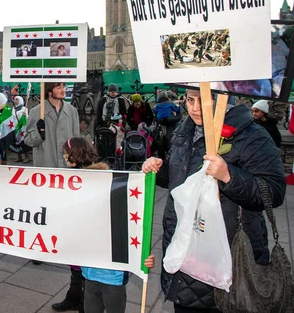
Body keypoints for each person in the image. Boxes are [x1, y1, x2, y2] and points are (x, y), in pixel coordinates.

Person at [142, 88, 286, 312]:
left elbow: (274, 192)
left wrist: (229, 176)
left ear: (223, 100)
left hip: (229, 262)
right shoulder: (184, 130)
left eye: (203, 101)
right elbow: (176, 178)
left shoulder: (251, 136)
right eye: (190, 100)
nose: (195, 108)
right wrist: (157, 168)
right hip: (184, 256)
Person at [61, 137, 155, 313]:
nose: (64, 157)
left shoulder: (106, 185)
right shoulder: (79, 181)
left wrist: (142, 254)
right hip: (89, 271)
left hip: (112, 275)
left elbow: (130, 223)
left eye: (66, 154)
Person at [25, 82, 79, 293]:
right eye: (59, 86)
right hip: (45, 171)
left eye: (64, 85)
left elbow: (77, 139)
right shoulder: (35, 111)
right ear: (49, 90)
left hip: (67, 171)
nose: (63, 89)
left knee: (66, 211)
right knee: (43, 213)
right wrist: (39, 133)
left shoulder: (71, 110)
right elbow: (28, 140)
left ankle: (65, 246)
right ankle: (39, 250)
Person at [12, 96, 30, 163]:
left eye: (17, 99)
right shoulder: (14, 108)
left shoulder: (24, 108)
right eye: (14, 99)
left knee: (23, 142)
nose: (15, 101)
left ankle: (26, 157)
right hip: (16, 127)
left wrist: (25, 116)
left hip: (22, 128)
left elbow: (28, 119)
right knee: (16, 142)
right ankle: (19, 157)